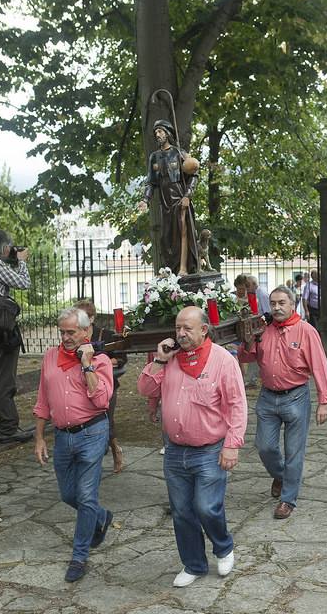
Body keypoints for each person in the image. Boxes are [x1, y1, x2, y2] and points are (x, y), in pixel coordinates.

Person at [137, 307, 247, 588]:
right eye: (177, 328)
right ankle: (194, 564)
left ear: (203, 330)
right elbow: (146, 390)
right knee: (182, 511)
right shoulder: (168, 359)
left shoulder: (222, 361)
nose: (181, 334)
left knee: (206, 507)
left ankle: (223, 547)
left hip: (210, 449)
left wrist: (232, 445)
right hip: (174, 450)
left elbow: (236, 405)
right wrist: (160, 361)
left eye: (187, 328)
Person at [34, 307, 114, 582]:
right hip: (62, 436)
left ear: (85, 331)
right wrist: (39, 437)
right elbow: (43, 400)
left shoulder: (100, 360)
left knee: (86, 495)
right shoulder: (50, 357)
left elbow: (102, 401)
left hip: (92, 432)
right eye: (63, 332)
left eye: (72, 332)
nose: (66, 337)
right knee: (69, 495)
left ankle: (79, 557)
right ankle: (101, 516)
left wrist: (87, 364)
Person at [238, 286, 327, 519]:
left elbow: (319, 366)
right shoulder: (264, 330)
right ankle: (281, 476)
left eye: (282, 303)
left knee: (294, 453)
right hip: (268, 397)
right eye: (273, 303)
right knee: (264, 447)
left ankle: (288, 499)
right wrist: (249, 341)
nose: (277, 308)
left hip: (296, 397)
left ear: (292, 304)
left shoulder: (306, 331)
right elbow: (245, 357)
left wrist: (324, 401)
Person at [138, 120, 199, 275]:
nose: (157, 135)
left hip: (180, 197)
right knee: (166, 239)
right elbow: (151, 182)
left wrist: (188, 195)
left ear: (167, 133)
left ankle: (184, 268)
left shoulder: (179, 153)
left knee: (183, 232)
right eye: (155, 132)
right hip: (165, 202)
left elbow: (194, 175)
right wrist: (145, 199)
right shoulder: (154, 157)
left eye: (160, 131)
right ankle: (171, 269)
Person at [75, 300, 127, 472]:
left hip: (106, 385)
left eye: (81, 317)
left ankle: (115, 450)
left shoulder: (106, 335)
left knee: (106, 421)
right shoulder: (74, 336)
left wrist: (100, 362)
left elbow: (121, 359)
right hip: (80, 385)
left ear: (91, 319)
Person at [0, 230, 33, 444]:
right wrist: (21, 262)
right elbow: (24, 284)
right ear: (5, 248)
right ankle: (8, 428)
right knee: (4, 379)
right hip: (1, 331)